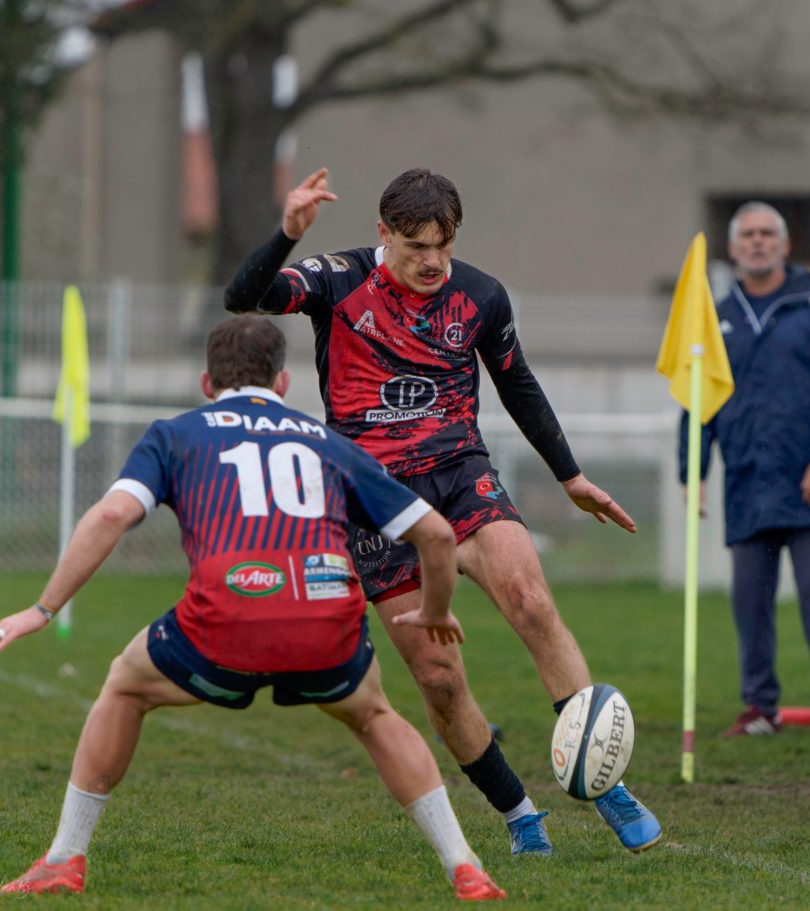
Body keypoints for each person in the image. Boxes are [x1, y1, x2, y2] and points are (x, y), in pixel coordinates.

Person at [0, 315, 506, 901]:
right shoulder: (328, 443)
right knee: (375, 715)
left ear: (207, 383)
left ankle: (65, 859)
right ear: (282, 382)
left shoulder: (175, 434)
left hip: (225, 622)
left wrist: (42, 610)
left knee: (125, 686)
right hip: (325, 621)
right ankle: (464, 865)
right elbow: (436, 535)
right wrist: (435, 610)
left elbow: (109, 516)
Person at [224, 168, 661, 854]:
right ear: (382, 234)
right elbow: (242, 297)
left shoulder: (480, 295)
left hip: (460, 476)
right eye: (415, 244)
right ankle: (519, 815)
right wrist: (287, 233)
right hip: (374, 501)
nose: (431, 260)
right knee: (438, 679)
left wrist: (569, 475)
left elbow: (517, 383)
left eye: (443, 244)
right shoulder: (336, 279)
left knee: (530, 600)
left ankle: (603, 780)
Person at [679, 201, 810, 736]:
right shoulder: (715, 317)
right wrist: (693, 472)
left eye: (768, 232)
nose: (758, 241)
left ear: (786, 244)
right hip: (748, 485)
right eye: (747, 234)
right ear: (733, 248)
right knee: (749, 604)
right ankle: (760, 708)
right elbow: (696, 403)